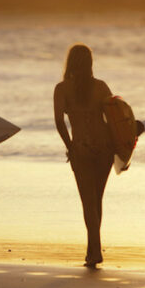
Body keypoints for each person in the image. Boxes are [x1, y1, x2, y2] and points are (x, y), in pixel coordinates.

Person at [54, 44, 114, 267]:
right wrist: (120, 147)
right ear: (90, 63)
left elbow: (60, 121)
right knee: (96, 199)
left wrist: (70, 145)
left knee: (88, 201)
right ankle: (92, 250)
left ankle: (95, 251)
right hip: (105, 148)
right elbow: (115, 116)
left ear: (69, 62)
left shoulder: (62, 89)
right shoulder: (101, 87)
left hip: (82, 148)